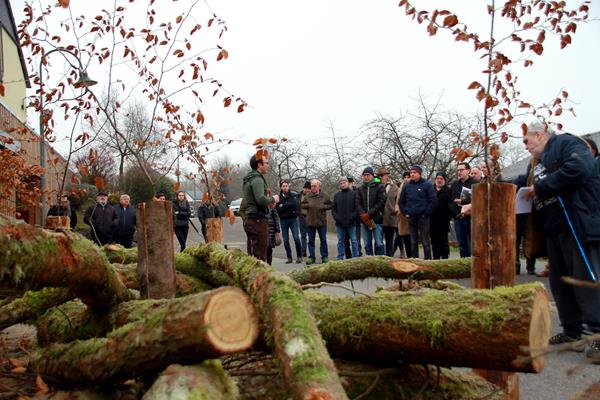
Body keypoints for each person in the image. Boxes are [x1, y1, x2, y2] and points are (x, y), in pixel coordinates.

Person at [517, 122, 600, 356]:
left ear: (540, 134)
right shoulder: (537, 163)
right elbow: (523, 183)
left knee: (584, 279)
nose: (525, 147)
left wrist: (542, 186)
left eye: (526, 141)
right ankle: (573, 331)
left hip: (576, 224)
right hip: (554, 229)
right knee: (561, 282)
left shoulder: (565, 144)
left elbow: (581, 167)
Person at [242, 154, 279, 262]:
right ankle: (260, 278)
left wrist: (269, 204)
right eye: (266, 163)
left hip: (252, 219)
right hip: (257, 220)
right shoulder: (257, 179)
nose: (268, 165)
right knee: (261, 257)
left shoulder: (249, 178)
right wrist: (273, 199)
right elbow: (260, 199)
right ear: (259, 165)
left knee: (257, 255)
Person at [400, 165, 437, 259]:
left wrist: (426, 213)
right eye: (411, 172)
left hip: (423, 217)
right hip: (411, 217)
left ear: (419, 173)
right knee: (413, 241)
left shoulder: (427, 185)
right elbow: (401, 201)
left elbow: (433, 200)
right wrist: (405, 213)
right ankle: (415, 261)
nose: (412, 174)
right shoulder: (407, 186)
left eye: (414, 172)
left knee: (425, 241)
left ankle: (428, 261)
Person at [301, 179, 332, 264]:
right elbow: (302, 205)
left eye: (315, 186)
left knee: (323, 240)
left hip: (321, 221)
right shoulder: (307, 196)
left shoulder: (324, 195)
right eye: (312, 186)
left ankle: (324, 257)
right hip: (310, 221)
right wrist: (309, 205)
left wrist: (322, 206)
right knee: (311, 241)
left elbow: (330, 204)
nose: (313, 188)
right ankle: (311, 257)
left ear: (319, 186)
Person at [357, 166, 386, 256]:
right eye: (364, 175)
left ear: (372, 176)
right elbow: (357, 203)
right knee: (367, 244)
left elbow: (381, 202)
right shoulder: (360, 189)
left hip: (377, 219)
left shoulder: (380, 187)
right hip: (365, 220)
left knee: (379, 243)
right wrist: (363, 214)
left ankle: (381, 262)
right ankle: (369, 262)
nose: (366, 177)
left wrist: (369, 214)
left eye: (368, 175)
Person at [450, 162, 477, 257]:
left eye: (461, 170)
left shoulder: (475, 183)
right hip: (459, 218)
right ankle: (464, 263)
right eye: (458, 170)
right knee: (462, 244)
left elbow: (478, 199)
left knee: (473, 243)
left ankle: (473, 265)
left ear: (468, 171)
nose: (459, 172)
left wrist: (464, 201)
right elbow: (451, 200)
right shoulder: (454, 184)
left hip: (471, 218)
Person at [332, 176, 359, 260]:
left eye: (344, 183)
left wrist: (352, 217)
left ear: (347, 183)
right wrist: (337, 218)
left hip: (351, 223)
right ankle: (340, 257)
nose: (342, 184)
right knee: (340, 242)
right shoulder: (337, 195)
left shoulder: (354, 194)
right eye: (341, 183)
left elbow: (357, 208)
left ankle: (356, 257)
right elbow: (333, 209)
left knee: (354, 241)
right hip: (339, 223)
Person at [276, 180, 303, 264]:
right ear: (281, 187)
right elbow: (278, 209)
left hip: (293, 219)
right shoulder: (278, 197)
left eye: (286, 186)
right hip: (283, 220)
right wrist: (287, 206)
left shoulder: (293, 195)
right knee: (286, 240)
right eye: (283, 186)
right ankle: (289, 257)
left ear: (288, 186)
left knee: (296, 238)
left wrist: (284, 205)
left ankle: (299, 256)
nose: (285, 187)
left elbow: (295, 205)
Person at [429, 172, 453, 259]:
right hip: (432, 220)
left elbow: (451, 205)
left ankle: (445, 258)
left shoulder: (448, 191)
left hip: (443, 221)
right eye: (437, 178)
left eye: (441, 179)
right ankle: (435, 259)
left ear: (444, 180)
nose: (439, 180)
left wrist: (449, 216)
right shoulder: (431, 190)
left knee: (443, 242)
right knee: (434, 242)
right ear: (435, 180)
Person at [378, 167, 399, 257]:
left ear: (387, 175)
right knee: (378, 243)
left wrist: (395, 211)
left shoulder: (395, 187)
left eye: (382, 175)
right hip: (378, 219)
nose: (381, 177)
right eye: (379, 176)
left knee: (389, 242)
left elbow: (398, 201)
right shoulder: (376, 186)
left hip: (390, 218)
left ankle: (389, 260)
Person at [394, 172, 412, 258]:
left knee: (412, 240)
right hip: (402, 217)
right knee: (404, 238)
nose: (406, 178)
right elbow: (397, 202)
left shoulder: (413, 186)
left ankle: (412, 257)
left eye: (408, 177)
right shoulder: (400, 188)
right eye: (405, 177)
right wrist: (398, 210)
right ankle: (408, 257)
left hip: (412, 216)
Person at [298, 180, 311, 258]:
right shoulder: (299, 195)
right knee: (303, 235)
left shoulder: (312, 196)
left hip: (310, 217)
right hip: (301, 217)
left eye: (308, 188)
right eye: (305, 188)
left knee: (310, 235)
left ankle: (311, 252)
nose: (306, 190)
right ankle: (303, 251)